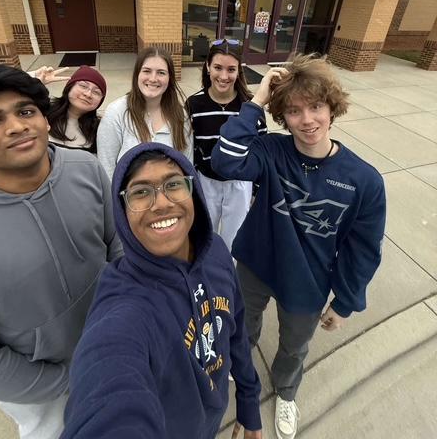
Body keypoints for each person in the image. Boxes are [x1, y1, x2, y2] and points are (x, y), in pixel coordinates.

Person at [211, 54, 386, 439]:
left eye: (316, 107)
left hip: (307, 281)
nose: (307, 120)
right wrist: (256, 102)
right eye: (293, 111)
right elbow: (224, 161)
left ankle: (286, 391)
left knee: (293, 346)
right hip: (255, 265)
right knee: (241, 326)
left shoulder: (364, 181)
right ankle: (237, 368)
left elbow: (363, 250)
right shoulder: (270, 151)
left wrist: (345, 301)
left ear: (332, 108)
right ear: (283, 117)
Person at [0, 63, 122, 439]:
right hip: (43, 395)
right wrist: (65, 381)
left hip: (115, 345)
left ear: (45, 119)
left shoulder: (86, 168)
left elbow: (117, 244)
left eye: (26, 111)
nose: (16, 126)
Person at [61, 143, 262, 439]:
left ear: (193, 191)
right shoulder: (125, 307)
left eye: (174, 184)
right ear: (121, 210)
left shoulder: (217, 252)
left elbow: (236, 331)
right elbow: (107, 377)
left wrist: (249, 401)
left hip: (212, 416)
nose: (161, 203)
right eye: (141, 192)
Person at [186, 40, 266, 250]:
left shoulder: (251, 106)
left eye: (231, 69)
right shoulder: (193, 104)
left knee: (235, 239)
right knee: (205, 235)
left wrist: (256, 190)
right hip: (206, 182)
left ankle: (228, 268)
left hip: (240, 184)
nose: (223, 76)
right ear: (207, 67)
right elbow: (190, 149)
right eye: (218, 67)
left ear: (239, 71)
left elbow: (261, 150)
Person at [97, 47, 192, 180]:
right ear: (137, 74)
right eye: (147, 71)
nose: (153, 78)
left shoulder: (180, 115)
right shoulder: (116, 112)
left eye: (161, 73)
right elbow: (106, 167)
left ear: (170, 78)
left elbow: (188, 166)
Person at [33, 65, 107, 154]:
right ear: (69, 87)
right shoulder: (43, 110)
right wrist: (33, 82)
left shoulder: (100, 129)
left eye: (96, 92)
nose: (88, 94)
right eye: (83, 86)